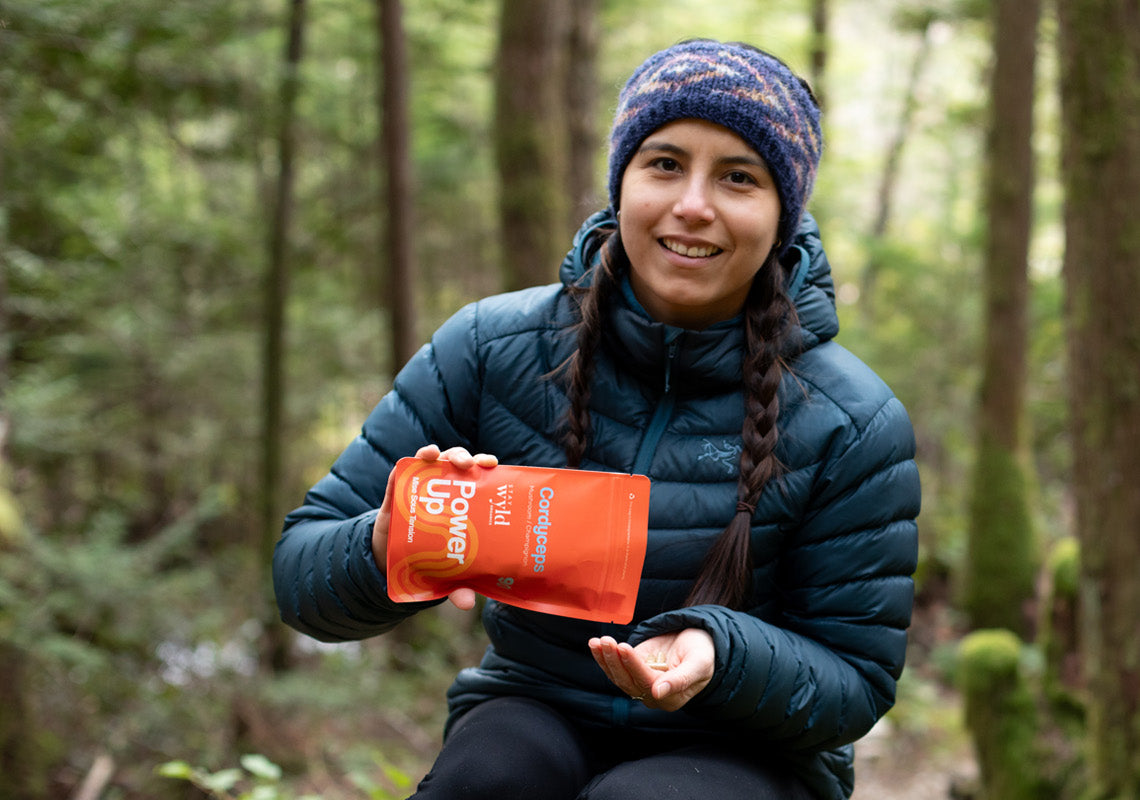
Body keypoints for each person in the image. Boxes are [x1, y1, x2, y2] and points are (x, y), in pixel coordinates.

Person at [272, 39, 919, 800]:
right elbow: (300, 575)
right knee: (485, 781)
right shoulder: (489, 349)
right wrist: (385, 544)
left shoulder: (852, 419)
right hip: (534, 706)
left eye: (738, 177)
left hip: (750, 750)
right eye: (665, 164)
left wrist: (722, 654)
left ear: (782, 215)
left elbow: (856, 681)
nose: (692, 205)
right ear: (621, 184)